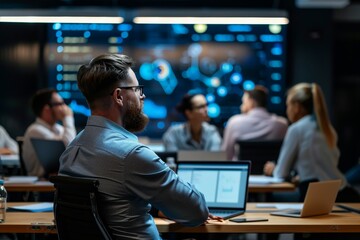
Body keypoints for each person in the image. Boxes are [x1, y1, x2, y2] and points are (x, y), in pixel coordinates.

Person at [58, 54, 212, 239]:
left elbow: (113, 203)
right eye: (137, 89)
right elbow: (196, 212)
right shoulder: (132, 155)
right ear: (119, 96)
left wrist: (156, 208)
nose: (143, 95)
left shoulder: (72, 150)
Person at [264, 83, 360, 202]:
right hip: (343, 193)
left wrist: (273, 169)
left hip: (315, 197)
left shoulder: (296, 129)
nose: (287, 109)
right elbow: (324, 168)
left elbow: (281, 173)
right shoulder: (327, 128)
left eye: (288, 104)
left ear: (297, 107)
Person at [222, 85, 288, 160]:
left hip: (243, 170)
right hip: (269, 171)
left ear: (251, 102)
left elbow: (226, 155)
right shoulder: (282, 124)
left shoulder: (234, 122)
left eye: (243, 102)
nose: (241, 106)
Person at [22, 88, 76, 177]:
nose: (65, 108)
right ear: (47, 109)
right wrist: (68, 118)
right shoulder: (35, 130)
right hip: (40, 186)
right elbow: (69, 150)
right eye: (60, 104)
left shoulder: (59, 128)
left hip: (56, 181)